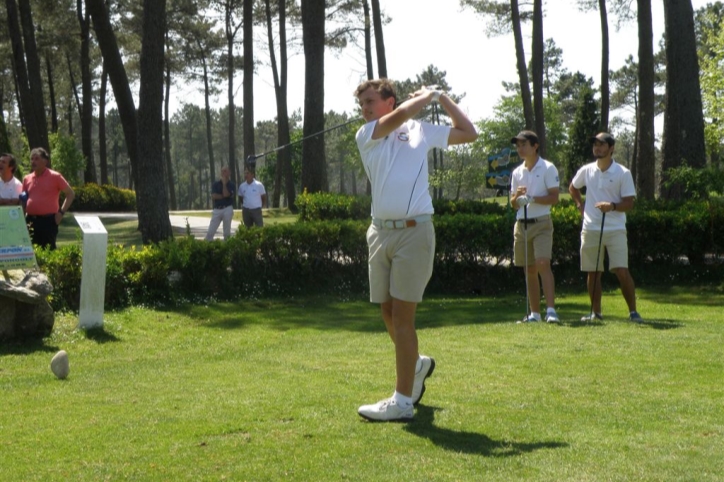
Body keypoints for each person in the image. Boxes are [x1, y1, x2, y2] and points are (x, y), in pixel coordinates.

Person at [354, 79, 478, 422]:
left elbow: (468, 132)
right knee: (388, 313)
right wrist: (426, 97)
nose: (364, 108)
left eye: (369, 101)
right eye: (361, 103)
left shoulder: (419, 130)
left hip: (414, 232)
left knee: (404, 319)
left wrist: (442, 97)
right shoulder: (368, 134)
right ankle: (418, 364)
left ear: (388, 100)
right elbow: (400, 115)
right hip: (379, 233)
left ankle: (402, 401)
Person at [569, 132, 643, 323]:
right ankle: (596, 313)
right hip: (590, 228)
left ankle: (633, 312)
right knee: (593, 272)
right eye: (595, 144)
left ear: (611, 148)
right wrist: (580, 205)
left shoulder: (622, 173)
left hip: (615, 229)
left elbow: (629, 203)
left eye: (602, 145)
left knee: (621, 270)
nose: (597, 148)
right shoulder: (586, 170)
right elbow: (573, 187)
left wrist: (612, 207)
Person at [509, 131, 561, 323]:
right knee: (529, 269)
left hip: (541, 223)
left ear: (535, 146)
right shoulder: (517, 172)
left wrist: (532, 198)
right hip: (521, 224)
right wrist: (517, 198)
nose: (520, 148)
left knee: (542, 264)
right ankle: (535, 314)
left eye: (524, 144)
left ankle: (551, 311)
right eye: (518, 145)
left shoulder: (548, 168)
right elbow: (513, 204)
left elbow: (554, 197)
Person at [22, 147, 75, 250]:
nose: (33, 161)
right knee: (30, 252)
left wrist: (61, 213)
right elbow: (23, 200)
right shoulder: (27, 178)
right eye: (32, 159)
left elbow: (70, 194)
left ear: (45, 161)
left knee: (48, 251)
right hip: (30, 221)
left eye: (36, 159)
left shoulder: (55, 177)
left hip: (48, 221)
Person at [205, 166, 235, 241]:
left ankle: (226, 246)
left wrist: (224, 184)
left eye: (225, 171)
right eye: (222, 171)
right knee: (210, 231)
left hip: (227, 208)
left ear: (229, 173)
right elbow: (214, 196)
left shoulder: (232, 185)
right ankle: (208, 246)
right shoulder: (215, 184)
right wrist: (224, 196)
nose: (223, 173)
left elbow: (227, 194)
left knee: (226, 232)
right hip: (217, 209)